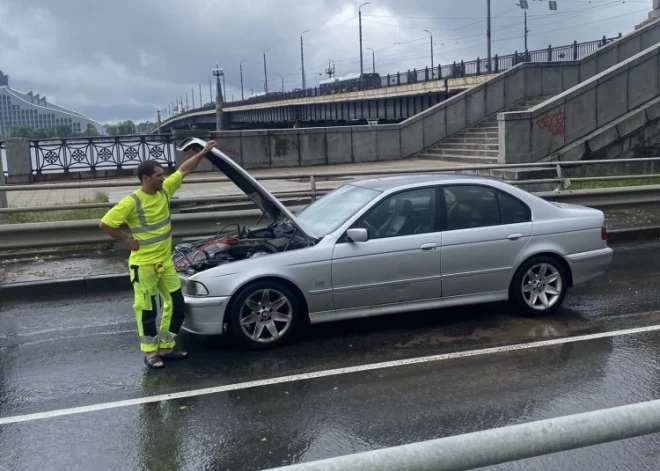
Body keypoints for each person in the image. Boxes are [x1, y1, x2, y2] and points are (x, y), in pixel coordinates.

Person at [99, 140, 217, 369]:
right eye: (159, 175)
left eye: (163, 174)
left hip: (164, 262)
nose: (164, 178)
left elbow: (184, 169)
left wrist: (203, 153)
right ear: (146, 179)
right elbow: (105, 223)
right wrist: (126, 240)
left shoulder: (165, 190)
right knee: (147, 309)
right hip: (143, 265)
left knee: (176, 304)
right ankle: (150, 352)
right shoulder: (131, 201)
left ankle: (166, 346)